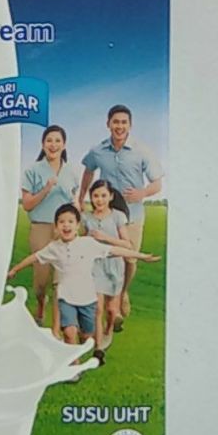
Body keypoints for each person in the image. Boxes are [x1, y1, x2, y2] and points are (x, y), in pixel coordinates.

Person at [8, 204, 161, 381]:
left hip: (87, 299)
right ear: (56, 226)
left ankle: (83, 342)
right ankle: (74, 367)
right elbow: (34, 257)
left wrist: (140, 256)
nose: (66, 225)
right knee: (69, 332)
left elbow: (114, 250)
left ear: (77, 225)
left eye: (70, 221)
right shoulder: (53, 248)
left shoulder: (88, 244)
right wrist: (15, 269)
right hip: (66, 298)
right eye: (61, 222)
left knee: (87, 335)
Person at [79, 105, 163, 324]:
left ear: (130, 125)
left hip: (132, 215)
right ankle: (109, 303)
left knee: (129, 259)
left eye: (124, 122)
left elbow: (157, 183)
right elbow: (88, 171)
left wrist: (142, 193)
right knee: (104, 257)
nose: (119, 126)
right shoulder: (97, 151)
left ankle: (123, 292)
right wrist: (81, 198)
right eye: (115, 122)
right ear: (108, 124)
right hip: (105, 216)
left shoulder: (142, 151)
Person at [21, 125, 79, 333]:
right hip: (41, 228)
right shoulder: (32, 171)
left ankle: (57, 328)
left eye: (57, 141)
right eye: (49, 140)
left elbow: (75, 201)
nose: (53, 145)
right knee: (41, 280)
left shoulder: (72, 171)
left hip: (65, 230)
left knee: (62, 280)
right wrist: (46, 189)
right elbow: (27, 205)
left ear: (64, 145)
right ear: (43, 144)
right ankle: (40, 304)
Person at [81, 180, 132, 339]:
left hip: (114, 265)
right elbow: (82, 240)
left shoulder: (118, 216)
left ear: (110, 196)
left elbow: (128, 244)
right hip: (95, 266)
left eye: (103, 196)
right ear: (91, 197)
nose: (99, 200)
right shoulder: (86, 218)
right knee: (98, 308)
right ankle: (98, 344)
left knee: (111, 309)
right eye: (95, 196)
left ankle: (108, 331)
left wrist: (105, 238)